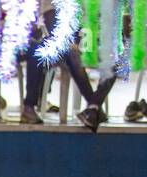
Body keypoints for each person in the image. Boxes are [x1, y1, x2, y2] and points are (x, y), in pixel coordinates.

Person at [19, 2, 119, 130]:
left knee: (115, 60)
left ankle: (93, 107)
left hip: (87, 41)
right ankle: (93, 108)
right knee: (72, 52)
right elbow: (51, 25)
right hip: (58, 42)